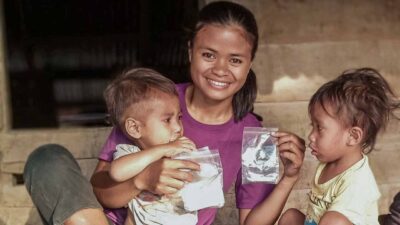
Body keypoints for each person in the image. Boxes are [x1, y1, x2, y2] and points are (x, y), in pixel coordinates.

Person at [24, 1, 305, 225]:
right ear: (190, 51)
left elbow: (253, 223)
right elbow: (103, 192)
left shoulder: (256, 136)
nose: (220, 69)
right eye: (208, 55)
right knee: (47, 158)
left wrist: (289, 178)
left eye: (235, 60)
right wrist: (142, 180)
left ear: (250, 63)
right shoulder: (158, 100)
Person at [278, 68, 400, 225]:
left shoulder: (358, 182)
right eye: (312, 126)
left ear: (353, 136)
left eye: (319, 128)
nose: (311, 136)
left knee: (333, 221)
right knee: (291, 217)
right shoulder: (330, 163)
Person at [105, 68, 199, 225]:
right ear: (135, 128)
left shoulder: (178, 152)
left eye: (179, 117)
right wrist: (162, 150)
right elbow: (116, 172)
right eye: (167, 120)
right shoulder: (130, 153)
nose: (178, 127)